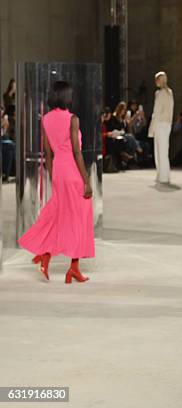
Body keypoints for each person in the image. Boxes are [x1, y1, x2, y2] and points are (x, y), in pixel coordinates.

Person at [18, 81, 94, 284]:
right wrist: (86, 181)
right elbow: (77, 152)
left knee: (59, 213)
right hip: (72, 170)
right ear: (66, 96)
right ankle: (71, 267)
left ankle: (50, 257)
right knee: (79, 216)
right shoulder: (72, 119)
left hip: (59, 170)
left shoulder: (46, 119)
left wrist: (53, 176)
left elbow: (48, 153)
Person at [148, 71, 174, 184]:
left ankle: (162, 176)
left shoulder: (160, 93)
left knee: (159, 151)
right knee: (164, 151)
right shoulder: (170, 93)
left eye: (156, 79)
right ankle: (165, 175)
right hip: (167, 124)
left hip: (160, 124)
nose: (155, 82)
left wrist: (151, 129)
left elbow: (156, 112)